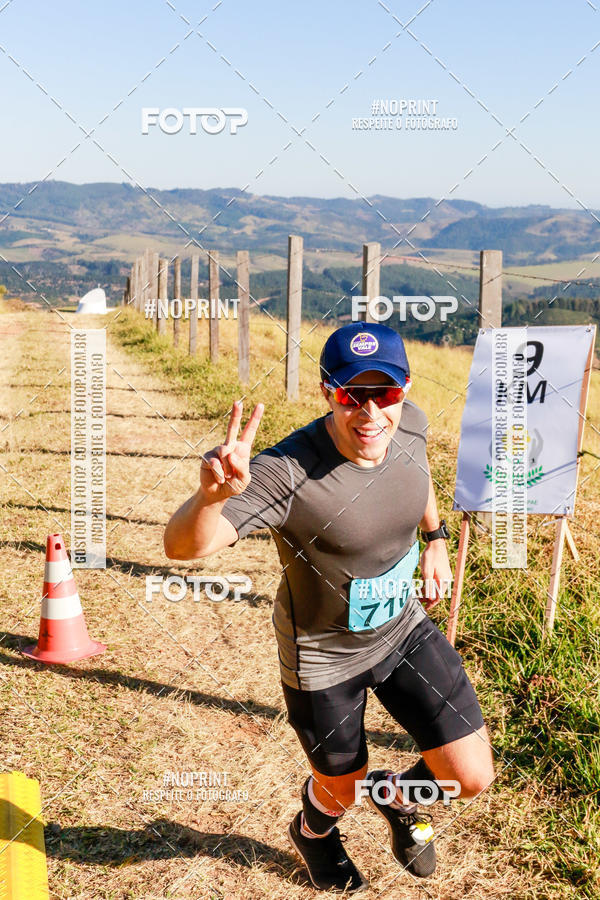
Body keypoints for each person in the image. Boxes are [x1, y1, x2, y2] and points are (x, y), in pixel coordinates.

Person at [164, 321, 494, 893]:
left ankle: (395, 794)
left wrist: (435, 538)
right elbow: (182, 547)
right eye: (351, 395)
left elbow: (417, 479)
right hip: (323, 659)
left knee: (468, 777)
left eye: (384, 393)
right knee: (341, 788)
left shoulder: (408, 424)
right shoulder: (287, 471)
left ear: (405, 390)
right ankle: (314, 832)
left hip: (402, 631)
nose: (370, 413)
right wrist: (210, 497)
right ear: (327, 392)